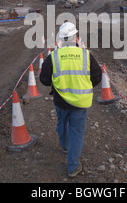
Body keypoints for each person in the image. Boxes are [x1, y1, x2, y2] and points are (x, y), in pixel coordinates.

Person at [40, 22, 102, 178]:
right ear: (76, 37)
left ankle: (65, 145)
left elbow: (44, 79)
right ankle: (73, 166)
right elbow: (97, 77)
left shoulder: (53, 56)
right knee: (76, 132)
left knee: (61, 123)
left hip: (60, 100)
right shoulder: (86, 55)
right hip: (80, 103)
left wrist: (57, 83)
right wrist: (84, 85)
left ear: (61, 39)